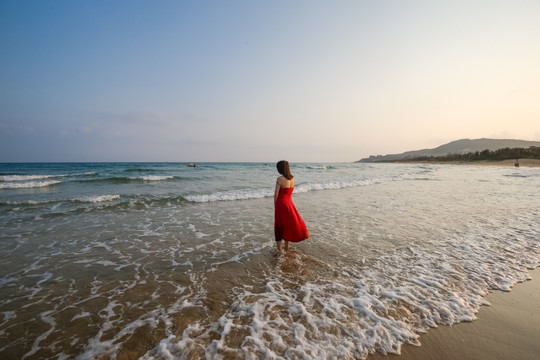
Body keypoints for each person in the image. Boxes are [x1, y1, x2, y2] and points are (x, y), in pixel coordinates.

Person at [274, 160, 310, 252]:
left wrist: (275, 206)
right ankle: (287, 247)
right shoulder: (292, 179)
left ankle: (279, 250)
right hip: (290, 203)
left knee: (279, 226)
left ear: (280, 169)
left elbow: (276, 195)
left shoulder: (280, 179)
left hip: (281, 204)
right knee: (287, 225)